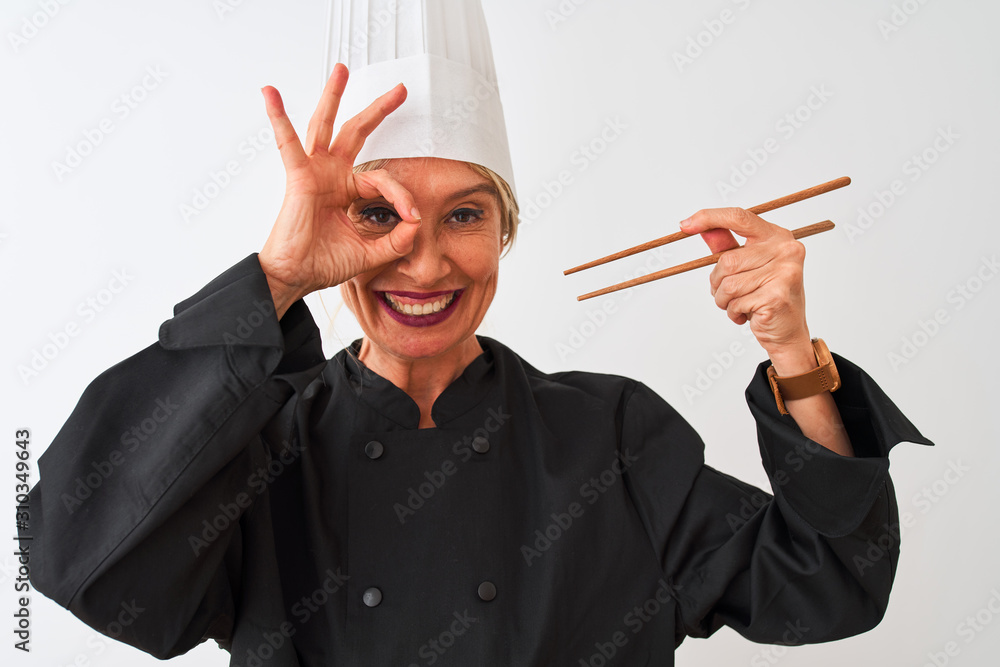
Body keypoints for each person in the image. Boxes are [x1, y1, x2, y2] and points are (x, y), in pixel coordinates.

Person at [20, 1, 933, 665]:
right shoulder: (259, 446)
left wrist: (792, 350)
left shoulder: (608, 433)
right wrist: (276, 278)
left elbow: (827, 580)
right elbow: (80, 557)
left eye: (464, 215)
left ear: (505, 232)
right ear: (332, 236)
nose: (426, 264)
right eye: (380, 217)